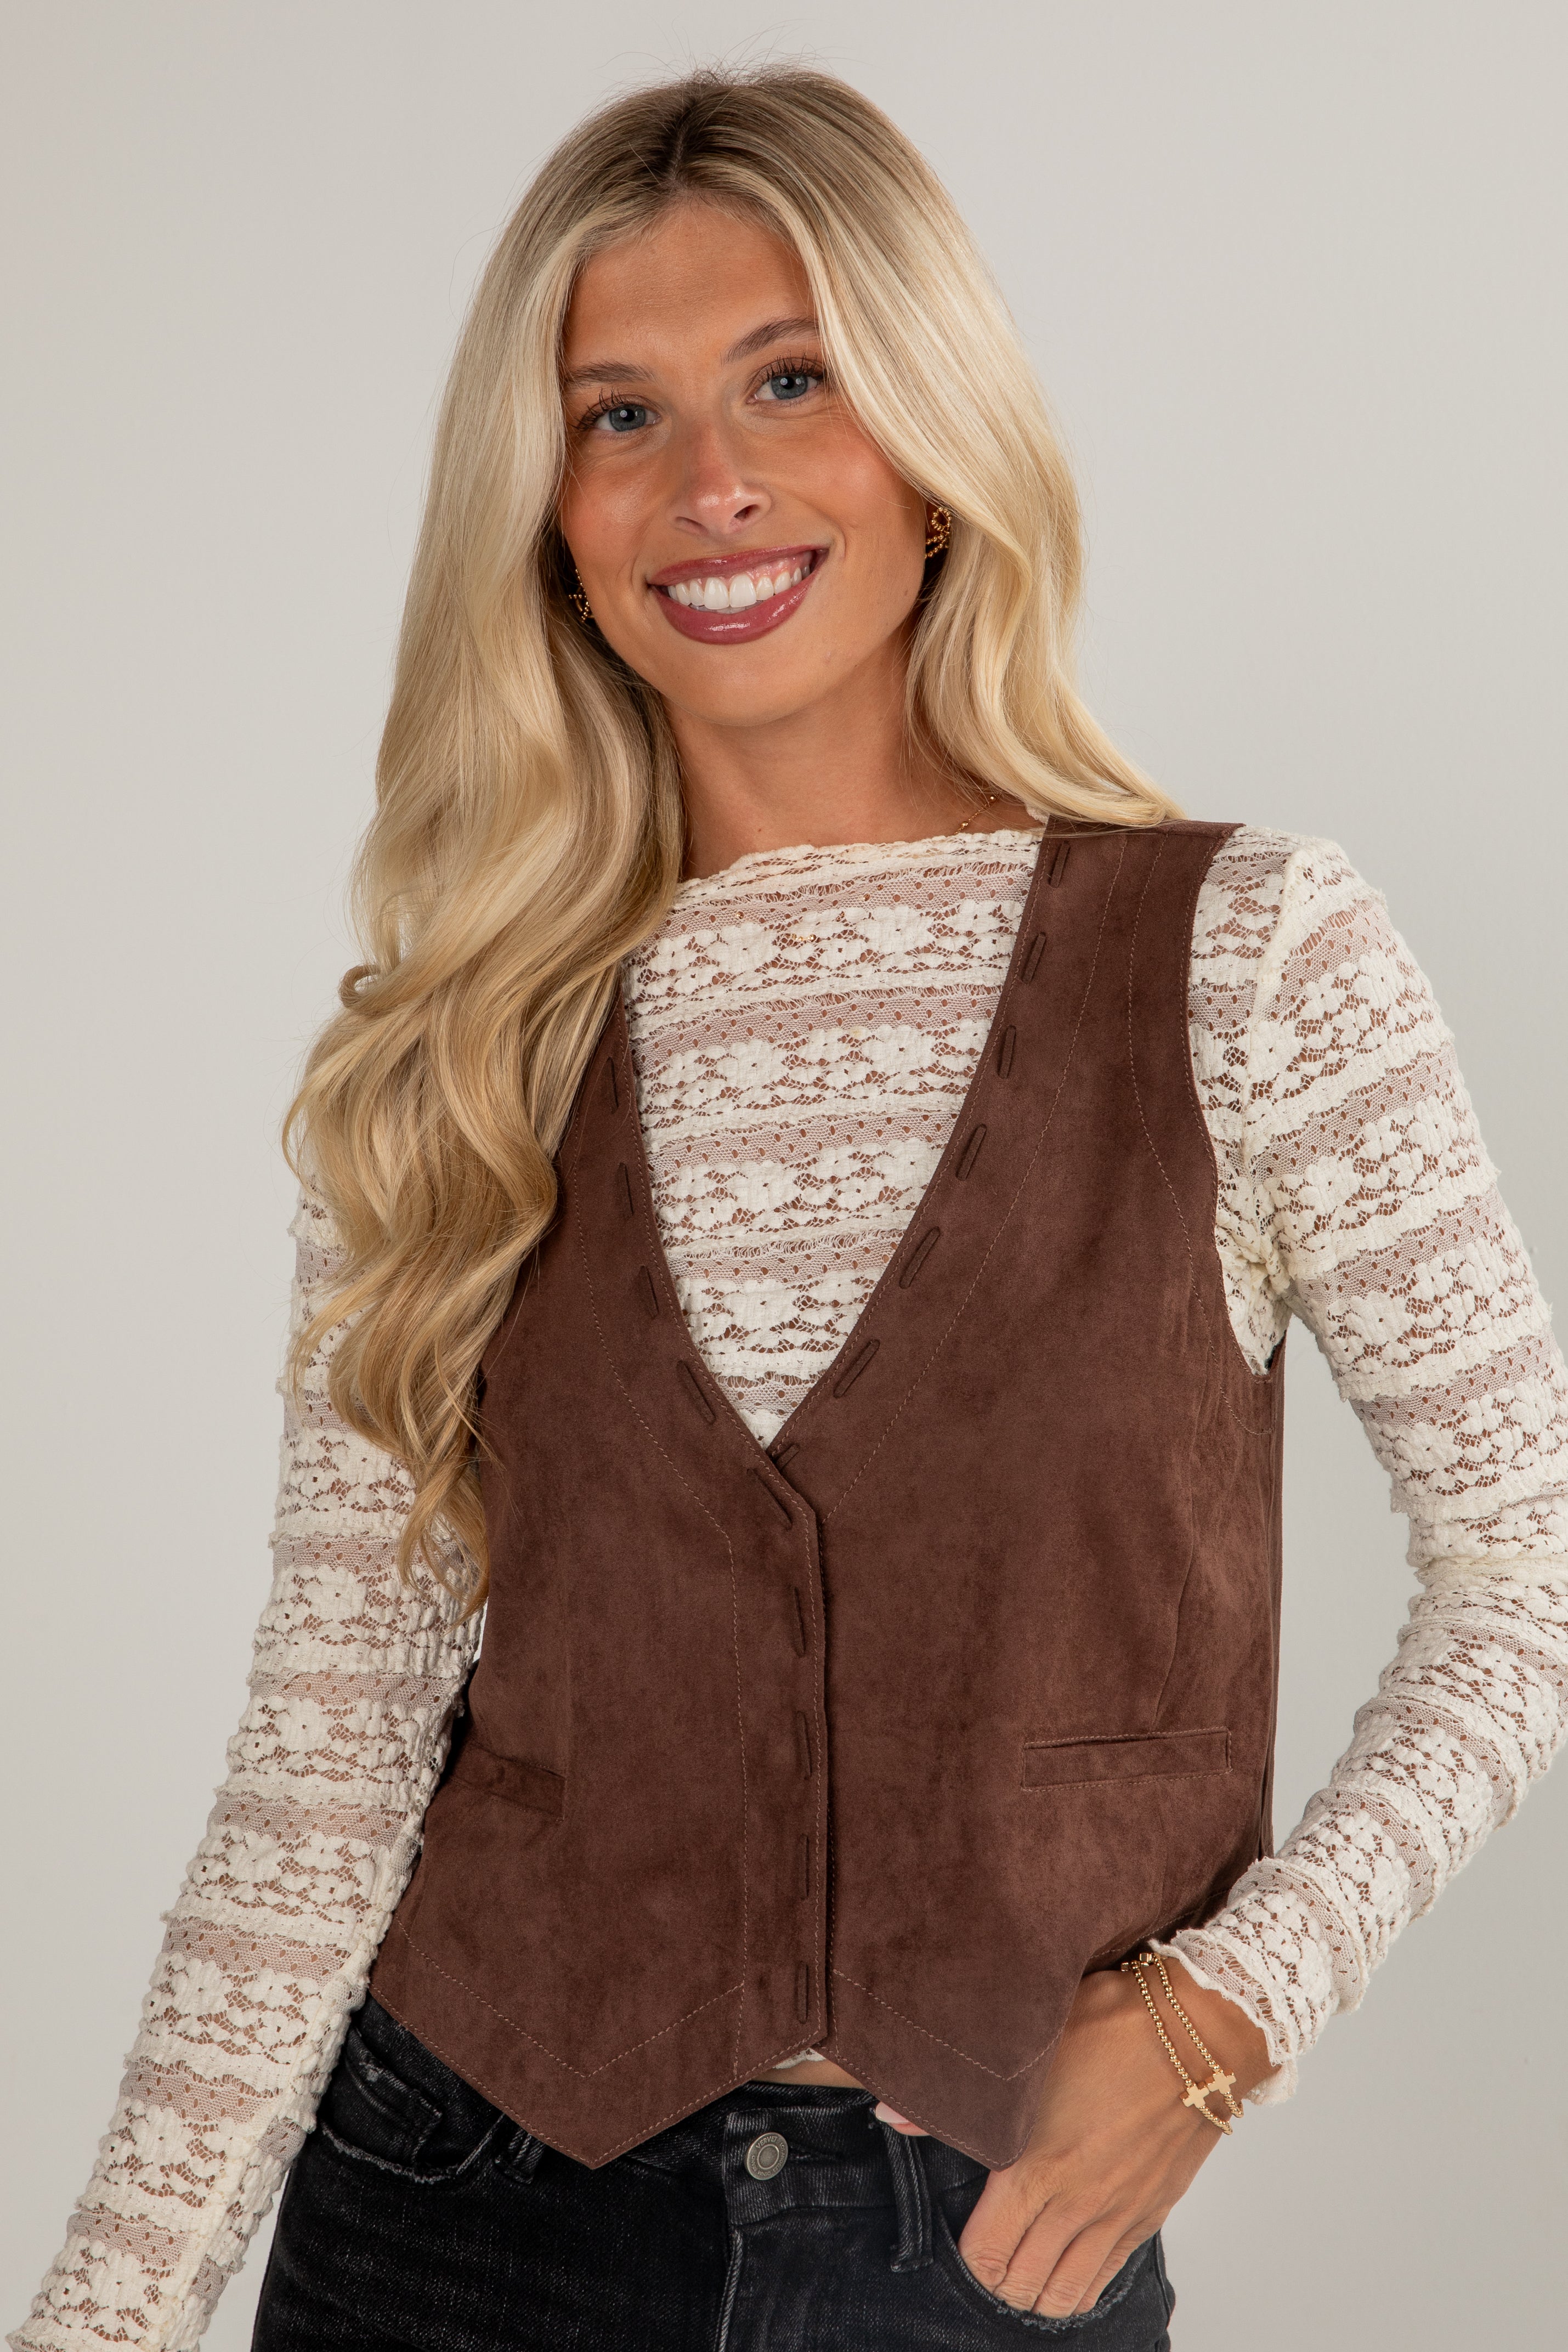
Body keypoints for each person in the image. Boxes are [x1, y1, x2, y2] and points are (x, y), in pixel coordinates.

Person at [13, 64, 1567, 2352]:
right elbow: (330, 1744)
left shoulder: (1249, 958)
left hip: (978, 2255)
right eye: (615, 414)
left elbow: (1523, 1578)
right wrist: (102, 2311)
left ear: (930, 425)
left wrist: (1229, 2010)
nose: (708, 479)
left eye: (789, 378)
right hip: (453, 2212)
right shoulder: (471, 1039)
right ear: (541, 512)